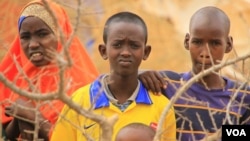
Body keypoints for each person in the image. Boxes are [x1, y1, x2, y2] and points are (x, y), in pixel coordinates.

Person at [51, 11, 176, 141]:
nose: (126, 52)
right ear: (103, 51)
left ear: (146, 52)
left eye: (134, 46)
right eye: (117, 45)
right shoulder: (79, 102)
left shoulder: (161, 107)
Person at [138, 6, 250, 141]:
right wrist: (139, 74)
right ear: (187, 42)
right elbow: (114, 84)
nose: (205, 53)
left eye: (215, 43)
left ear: (228, 45)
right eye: (197, 42)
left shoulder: (243, 96)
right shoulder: (166, 84)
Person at [0, 0, 99, 140]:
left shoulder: (83, 84)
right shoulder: (13, 79)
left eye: (42, 34)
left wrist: (35, 118)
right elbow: (7, 134)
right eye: (25, 37)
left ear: (61, 35)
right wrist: (20, 115)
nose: (33, 44)